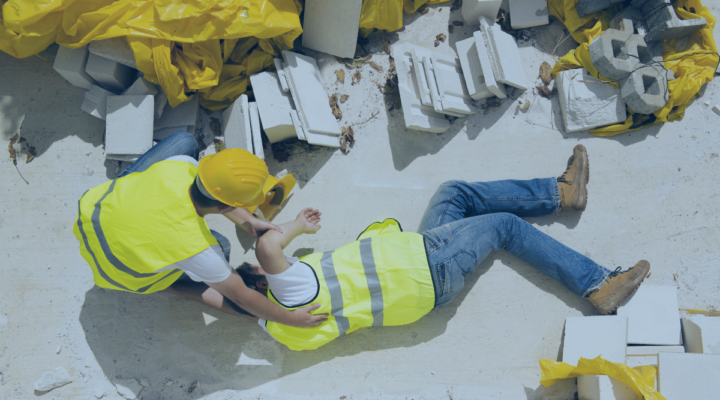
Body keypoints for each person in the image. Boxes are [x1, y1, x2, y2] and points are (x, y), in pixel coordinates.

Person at [244, 145, 650, 350]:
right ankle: (597, 285)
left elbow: (231, 300)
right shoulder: (293, 289)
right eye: (260, 273)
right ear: (264, 283)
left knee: (452, 193)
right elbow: (268, 246)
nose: (269, 264)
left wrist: (232, 293)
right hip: (428, 265)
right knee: (506, 227)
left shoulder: (283, 331)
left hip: (420, 265)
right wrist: (295, 224)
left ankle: (563, 192)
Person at [72, 130, 327, 328]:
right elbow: (242, 298)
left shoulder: (180, 166)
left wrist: (248, 220)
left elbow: (215, 194)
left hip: (93, 214)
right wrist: (291, 319)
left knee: (184, 141)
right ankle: (164, 284)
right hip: (118, 272)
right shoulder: (200, 250)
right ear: (229, 205)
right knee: (224, 248)